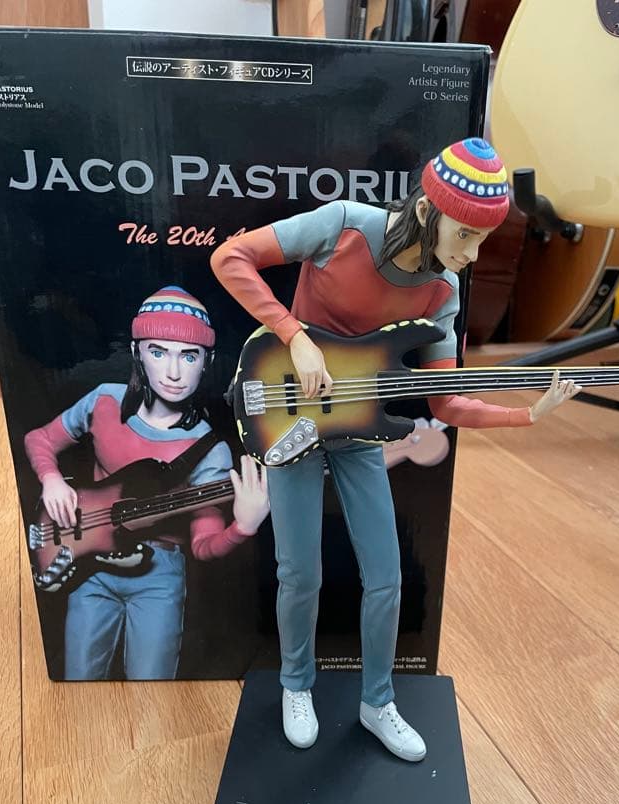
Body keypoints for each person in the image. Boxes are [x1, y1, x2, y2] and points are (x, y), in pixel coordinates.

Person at [211, 138, 579, 760]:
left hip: (360, 432)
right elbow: (231, 256)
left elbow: (447, 404)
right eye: (466, 234)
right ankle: (296, 685)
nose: (472, 254)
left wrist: (527, 414)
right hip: (291, 421)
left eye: (484, 239)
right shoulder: (343, 225)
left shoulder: (442, 293)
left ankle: (377, 702)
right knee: (299, 572)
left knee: (386, 576)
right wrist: (294, 335)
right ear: (429, 211)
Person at [24, 286, 269, 680]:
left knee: (152, 685)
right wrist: (51, 480)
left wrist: (243, 527)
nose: (174, 372)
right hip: (89, 564)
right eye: (159, 352)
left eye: (189, 356)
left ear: (206, 362)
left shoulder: (210, 450)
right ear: (137, 351)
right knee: (77, 679)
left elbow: (203, 546)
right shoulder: (105, 401)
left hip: (159, 576)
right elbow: (40, 439)